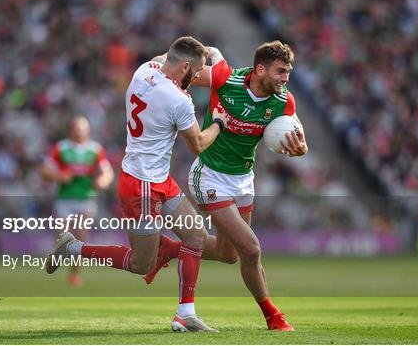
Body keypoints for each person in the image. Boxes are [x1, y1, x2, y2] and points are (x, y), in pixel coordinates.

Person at [44, 36, 227, 332]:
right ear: (183, 67)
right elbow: (198, 144)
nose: (197, 78)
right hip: (142, 185)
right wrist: (219, 122)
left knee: (196, 236)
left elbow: (164, 57)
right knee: (140, 263)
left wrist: (202, 56)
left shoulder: (144, 70)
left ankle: (186, 314)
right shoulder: (179, 100)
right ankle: (74, 247)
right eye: (196, 71)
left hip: (157, 178)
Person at [145, 41, 308, 331]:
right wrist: (154, 65)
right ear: (260, 69)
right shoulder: (225, 78)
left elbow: (296, 130)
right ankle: (273, 315)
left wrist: (300, 147)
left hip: (243, 179)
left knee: (229, 254)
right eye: (281, 71)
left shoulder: (283, 100)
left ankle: (169, 249)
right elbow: (178, 72)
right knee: (252, 249)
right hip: (209, 177)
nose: (285, 78)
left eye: (288, 72)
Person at [42, 115, 114, 286]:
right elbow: (45, 171)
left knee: (79, 239)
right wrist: (59, 176)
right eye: (76, 128)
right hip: (64, 199)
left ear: (87, 130)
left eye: (82, 128)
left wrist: (103, 180)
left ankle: (74, 275)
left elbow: (107, 172)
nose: (79, 131)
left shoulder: (95, 149)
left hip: (85, 199)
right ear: (70, 130)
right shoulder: (61, 148)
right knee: (61, 236)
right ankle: (58, 255)